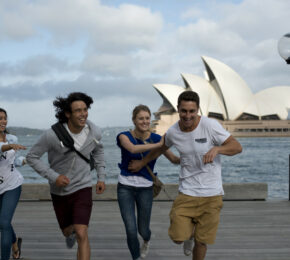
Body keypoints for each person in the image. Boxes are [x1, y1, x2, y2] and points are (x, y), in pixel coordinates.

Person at [129, 91, 242, 260]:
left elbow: (236, 147)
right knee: (177, 237)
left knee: (202, 242)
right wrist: (141, 163)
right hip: (187, 193)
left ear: (198, 110)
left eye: (192, 111)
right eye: (184, 111)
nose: (187, 115)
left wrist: (218, 149)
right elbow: (160, 148)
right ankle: (188, 236)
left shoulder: (210, 125)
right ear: (178, 109)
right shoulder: (174, 132)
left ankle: (194, 237)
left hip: (212, 195)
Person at [26, 92, 106, 260]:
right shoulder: (52, 135)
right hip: (59, 191)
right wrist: (54, 176)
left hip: (82, 187)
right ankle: (69, 235)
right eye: (78, 111)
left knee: (82, 233)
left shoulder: (95, 132)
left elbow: (98, 152)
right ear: (68, 113)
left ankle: (76, 236)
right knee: (67, 231)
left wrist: (101, 177)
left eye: (85, 109)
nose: (83, 114)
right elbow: (32, 157)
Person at [117, 104, 179, 260]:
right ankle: (136, 257)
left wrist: (194, 154)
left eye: (147, 118)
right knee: (131, 229)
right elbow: (132, 149)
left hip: (146, 188)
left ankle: (146, 240)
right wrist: (159, 145)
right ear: (134, 120)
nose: (144, 121)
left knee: (143, 230)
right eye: (140, 118)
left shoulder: (156, 138)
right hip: (125, 186)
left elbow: (173, 159)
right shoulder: (123, 136)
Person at [0, 108, 26, 260]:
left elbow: (14, 161)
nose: (3, 121)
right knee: (3, 222)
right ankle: (14, 242)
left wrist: (27, 160)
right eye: (0, 118)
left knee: (4, 222)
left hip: (12, 185)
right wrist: (7, 147)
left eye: (4, 118)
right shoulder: (8, 144)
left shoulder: (12, 138)